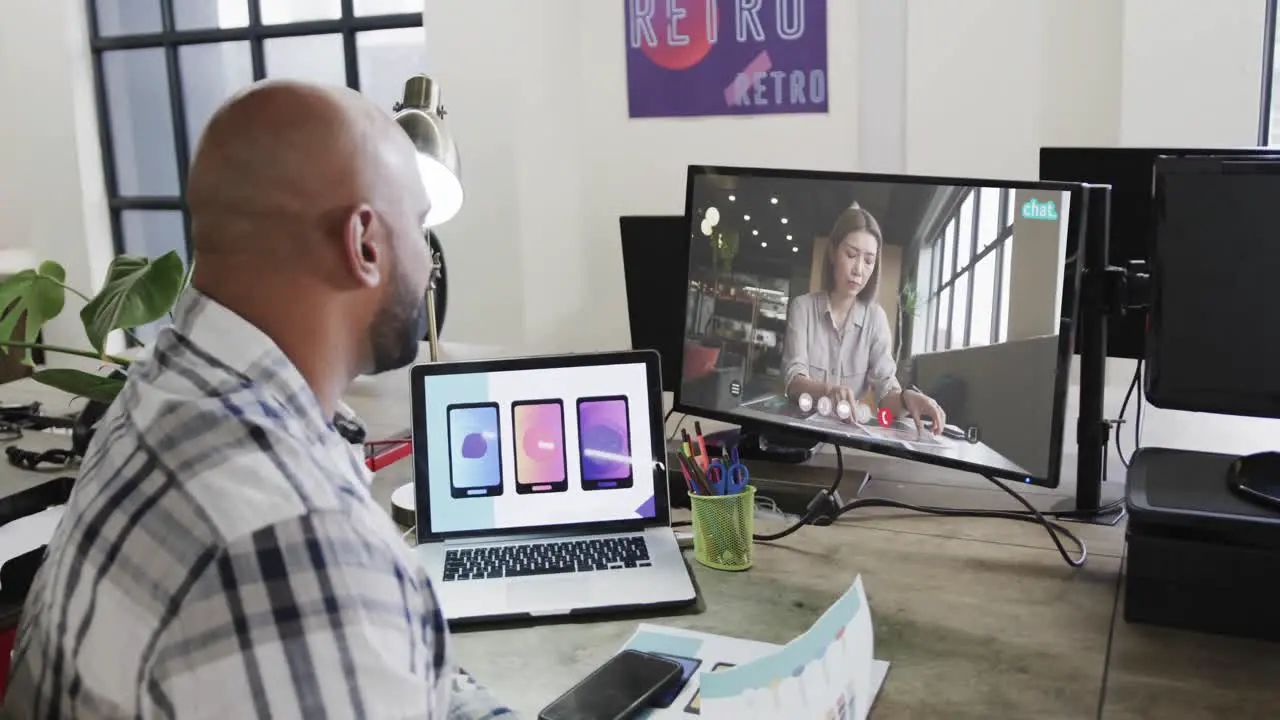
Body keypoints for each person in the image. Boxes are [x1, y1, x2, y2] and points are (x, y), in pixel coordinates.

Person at [2, 81, 514, 718]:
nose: (429, 263)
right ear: (364, 243)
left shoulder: (160, 394)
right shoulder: (292, 541)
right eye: (416, 226)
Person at [781, 203, 946, 435]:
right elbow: (794, 382)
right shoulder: (803, 308)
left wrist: (908, 399)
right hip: (799, 431)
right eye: (851, 255)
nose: (859, 269)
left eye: (869, 260)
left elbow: (886, 392)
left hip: (845, 435)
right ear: (832, 252)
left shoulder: (875, 319)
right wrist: (829, 390)